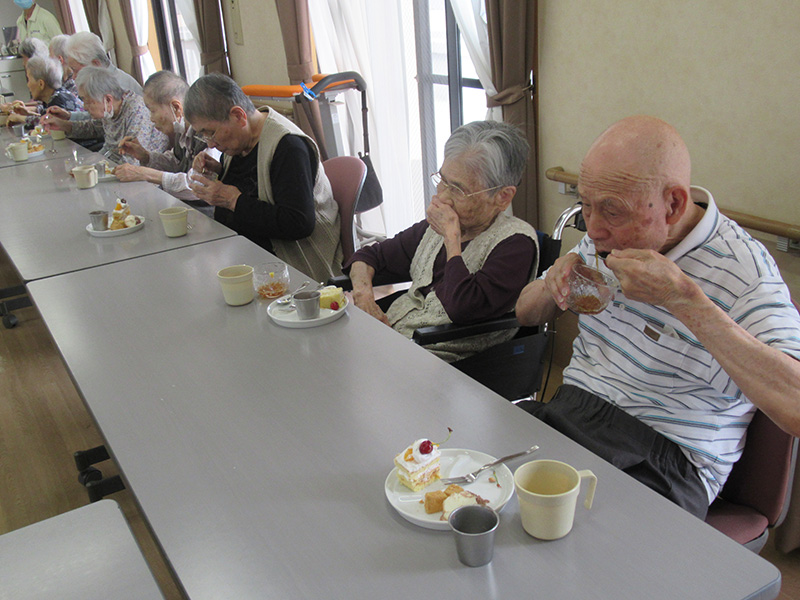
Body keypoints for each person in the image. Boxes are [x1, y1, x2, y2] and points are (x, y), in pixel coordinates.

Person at [514, 115, 800, 519]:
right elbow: (523, 311)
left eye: (611, 211)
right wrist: (550, 286)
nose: (593, 229)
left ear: (673, 204)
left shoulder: (746, 272)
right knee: (473, 481)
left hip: (666, 460)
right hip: (569, 411)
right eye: (585, 206)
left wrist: (684, 300)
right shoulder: (604, 235)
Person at [347, 120, 538, 363]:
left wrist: (452, 240)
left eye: (457, 190)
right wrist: (364, 297)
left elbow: (462, 309)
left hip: (444, 360)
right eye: (442, 181)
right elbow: (369, 257)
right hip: (392, 339)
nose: (442, 197)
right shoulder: (435, 227)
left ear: (502, 197)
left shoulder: (516, 245)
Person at [183, 73, 342, 282]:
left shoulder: (289, 147)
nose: (209, 143)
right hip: (245, 252)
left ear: (238, 116)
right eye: (202, 135)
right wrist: (219, 171)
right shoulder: (240, 142)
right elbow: (256, 184)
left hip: (294, 265)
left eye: (210, 133)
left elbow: (299, 223)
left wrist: (233, 201)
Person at [115, 70, 213, 214]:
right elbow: (175, 161)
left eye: (152, 110)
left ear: (176, 107)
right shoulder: (182, 132)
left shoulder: (207, 135)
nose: (151, 119)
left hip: (206, 214)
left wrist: (145, 174)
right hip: (183, 208)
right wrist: (146, 157)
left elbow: (195, 186)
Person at [41, 66, 167, 162]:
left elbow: (132, 159)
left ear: (108, 99)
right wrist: (63, 125)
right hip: (112, 163)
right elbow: (94, 128)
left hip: (140, 175)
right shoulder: (111, 109)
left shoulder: (136, 110)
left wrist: (97, 167)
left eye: (88, 101)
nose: (85, 107)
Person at [6, 55, 79, 128]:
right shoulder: (56, 96)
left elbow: (47, 123)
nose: (28, 85)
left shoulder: (58, 100)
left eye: (29, 79)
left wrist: (18, 118)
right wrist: (27, 113)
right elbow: (44, 117)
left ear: (41, 84)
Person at [64, 32, 142, 95]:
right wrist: (70, 115)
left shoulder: (117, 89)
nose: (73, 77)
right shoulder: (101, 82)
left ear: (96, 64)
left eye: (76, 70)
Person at [48, 34, 81, 105]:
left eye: (50, 57)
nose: (48, 62)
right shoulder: (63, 81)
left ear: (60, 60)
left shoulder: (74, 85)